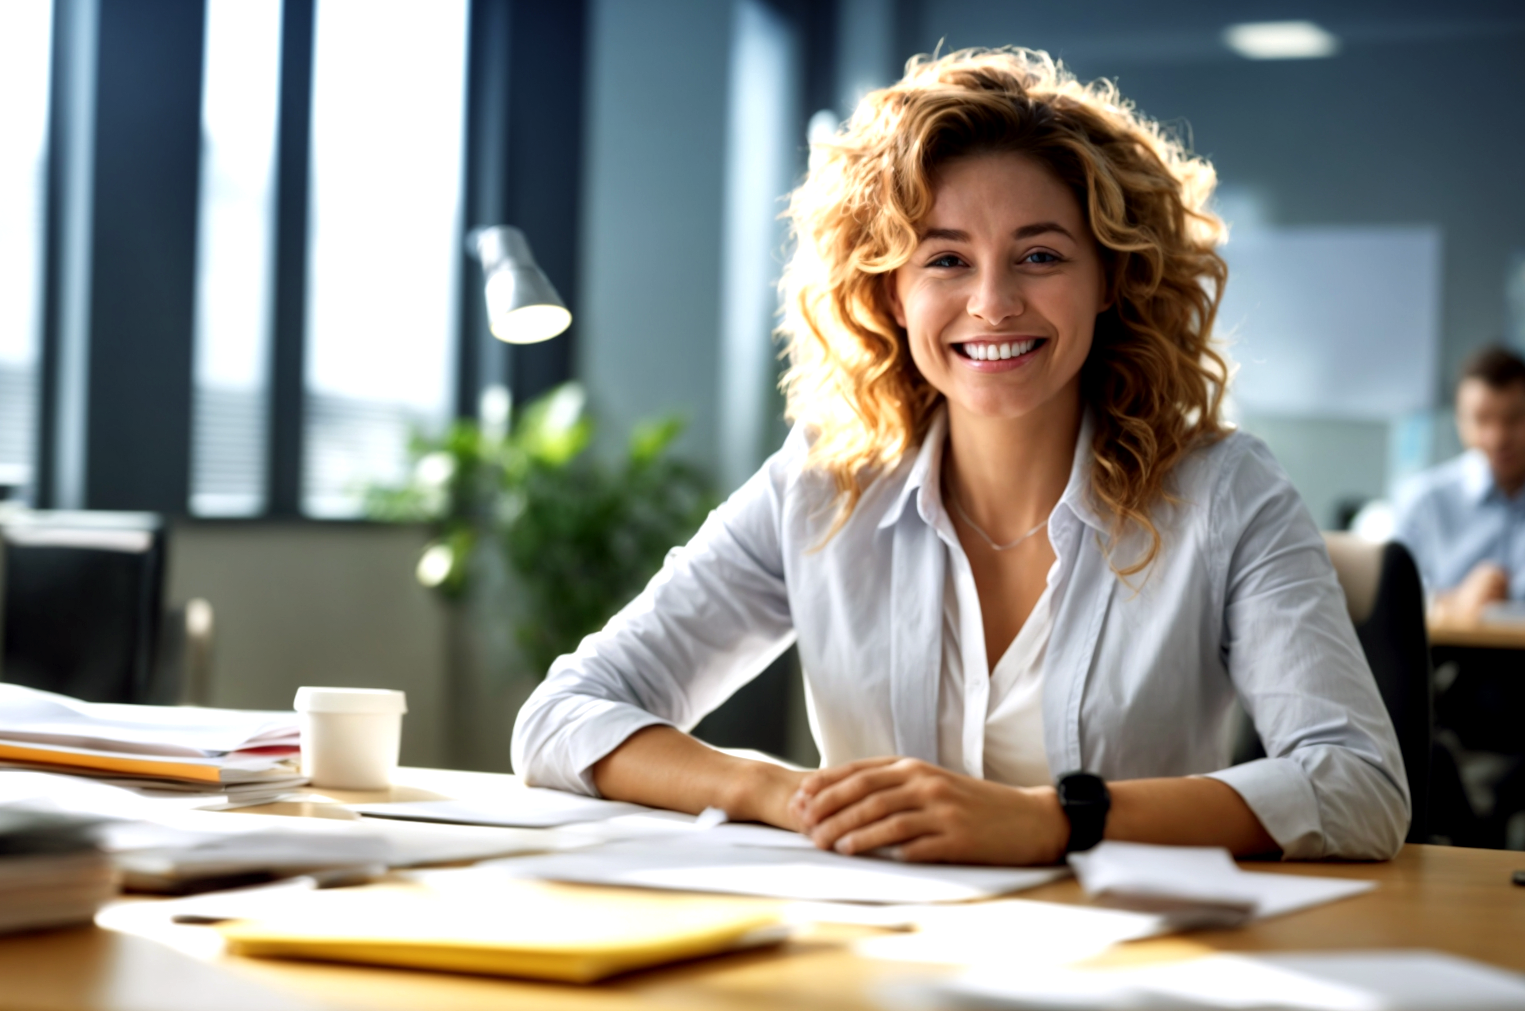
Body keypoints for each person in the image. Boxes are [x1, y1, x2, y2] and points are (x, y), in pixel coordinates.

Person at [512, 49, 1408, 864]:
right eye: (945, 260)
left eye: (1041, 255)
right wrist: (778, 792)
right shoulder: (822, 484)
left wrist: (1059, 817)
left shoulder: (1225, 491)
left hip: (1130, 961)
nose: (992, 302)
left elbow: (1360, 785)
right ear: (890, 293)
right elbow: (561, 716)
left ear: (1111, 281)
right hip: (875, 960)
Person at [1393, 345, 1525, 625]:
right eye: (1482, 420)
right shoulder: (1425, 499)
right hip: (1448, 661)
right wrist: (1455, 603)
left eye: (1514, 419)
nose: (1498, 437)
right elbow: (1388, 603)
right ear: (1459, 420)